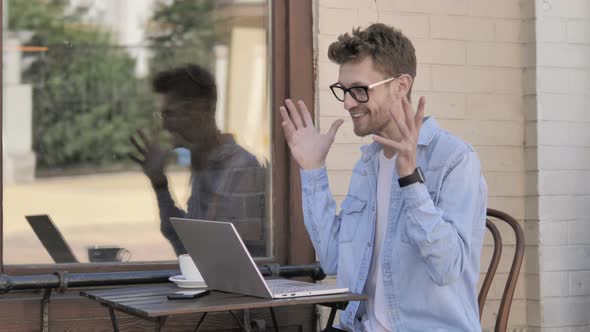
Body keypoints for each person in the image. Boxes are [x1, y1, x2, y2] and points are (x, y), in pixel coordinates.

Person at [280, 24, 487, 331]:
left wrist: (410, 178)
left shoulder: (455, 159)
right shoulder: (369, 164)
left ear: (401, 85)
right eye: (344, 91)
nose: (349, 103)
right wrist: (313, 170)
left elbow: (448, 268)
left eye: (359, 90)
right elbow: (334, 260)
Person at [129, 64, 267, 257]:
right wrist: (159, 183)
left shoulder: (240, 168)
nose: (163, 124)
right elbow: (190, 248)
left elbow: (210, 258)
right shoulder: (204, 164)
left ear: (198, 110)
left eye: (168, 114)